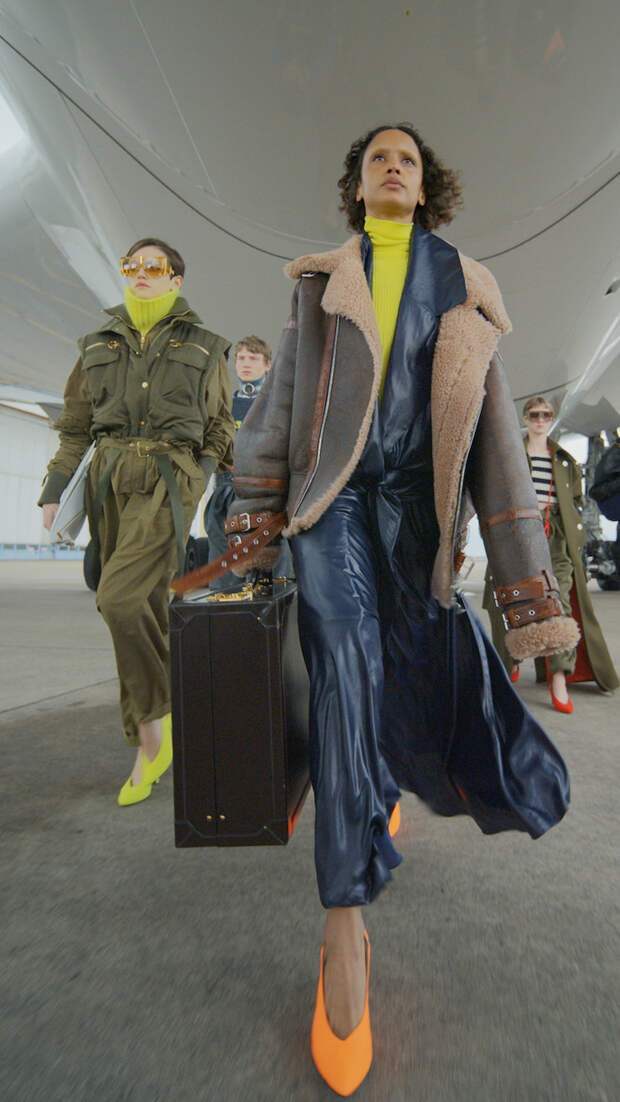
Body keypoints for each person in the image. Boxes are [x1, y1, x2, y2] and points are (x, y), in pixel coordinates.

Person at [226, 124, 578, 1096]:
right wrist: (252, 521)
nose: (392, 165)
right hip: (331, 506)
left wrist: (526, 589)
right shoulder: (320, 286)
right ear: (357, 186)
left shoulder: (465, 287)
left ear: (425, 188)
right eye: (377, 157)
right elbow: (278, 410)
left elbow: (496, 444)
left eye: (407, 160)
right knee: (344, 662)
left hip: (420, 518)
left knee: (403, 668)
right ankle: (344, 929)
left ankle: (373, 782)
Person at [39, 238, 234, 805]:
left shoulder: (206, 346)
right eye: (133, 265)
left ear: (176, 279)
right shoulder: (95, 345)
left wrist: (197, 476)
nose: (142, 273)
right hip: (107, 480)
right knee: (143, 608)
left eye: (155, 266)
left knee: (118, 599)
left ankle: (151, 733)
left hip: (169, 479)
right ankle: (174, 725)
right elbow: (75, 426)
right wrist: (55, 488)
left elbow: (220, 425)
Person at [483, 396, 618, 711]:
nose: (540, 420)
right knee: (505, 600)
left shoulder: (564, 459)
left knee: (559, 604)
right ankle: (510, 659)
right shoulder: (509, 454)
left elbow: (574, 500)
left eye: (546, 415)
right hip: (516, 534)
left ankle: (560, 677)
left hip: (555, 534)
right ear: (525, 419)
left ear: (552, 419)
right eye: (534, 415)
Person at [204, 336, 293, 590]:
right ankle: (226, 605)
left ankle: (274, 604)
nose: (246, 364)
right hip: (227, 491)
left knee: (274, 572)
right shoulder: (224, 406)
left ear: (267, 365)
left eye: (253, 358)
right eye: (241, 358)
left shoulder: (280, 407)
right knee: (224, 570)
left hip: (269, 495)